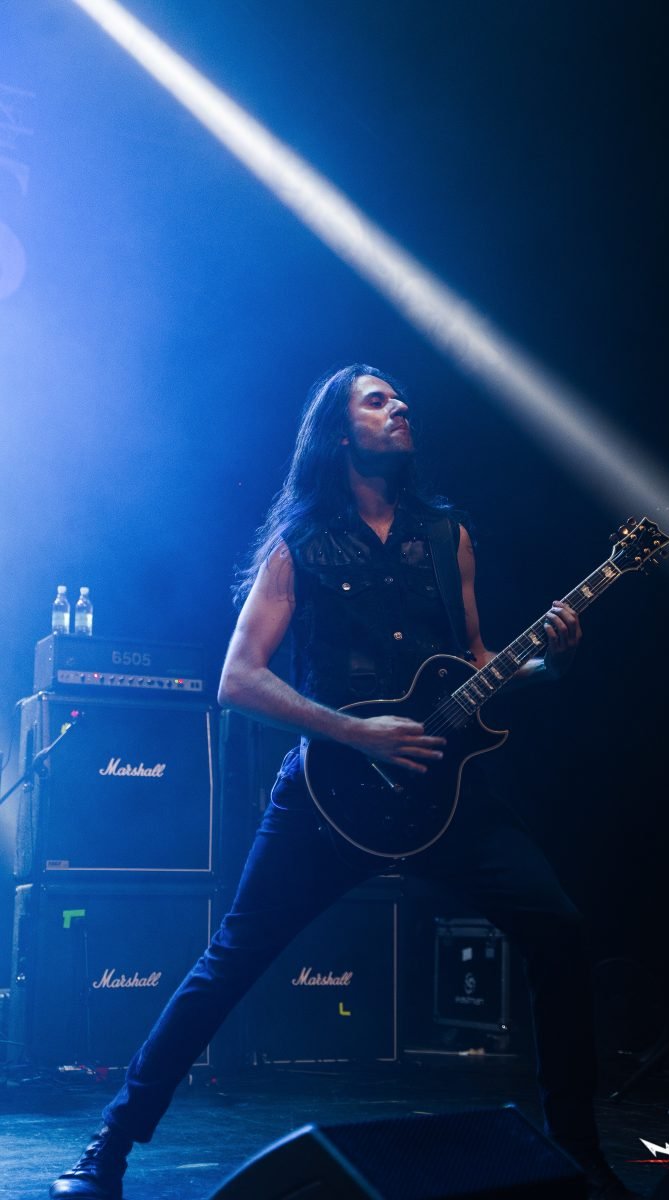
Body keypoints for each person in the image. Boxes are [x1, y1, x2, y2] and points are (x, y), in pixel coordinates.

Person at [50, 364, 634, 1200]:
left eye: (401, 398)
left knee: (560, 929)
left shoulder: (448, 535)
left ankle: (579, 1156)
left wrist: (550, 664)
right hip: (330, 794)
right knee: (231, 961)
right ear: (338, 429)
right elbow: (238, 679)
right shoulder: (299, 545)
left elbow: (476, 661)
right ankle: (108, 1148)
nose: (400, 406)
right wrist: (357, 732)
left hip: (444, 790)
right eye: (377, 399)